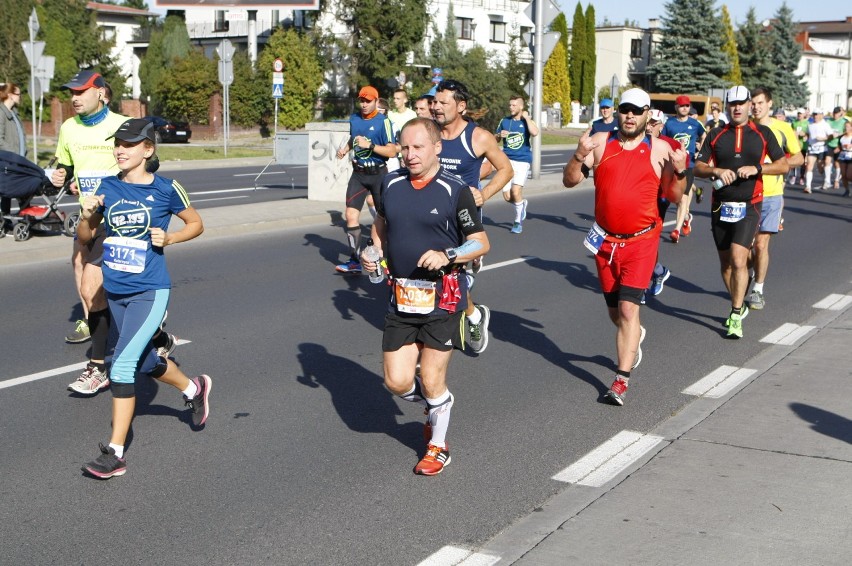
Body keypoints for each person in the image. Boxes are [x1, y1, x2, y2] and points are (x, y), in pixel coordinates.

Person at [78, 118, 209, 479]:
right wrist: (88, 216)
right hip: (116, 291)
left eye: (129, 144)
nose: (120, 149)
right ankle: (193, 386)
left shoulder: (166, 189)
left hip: (150, 290)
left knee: (120, 366)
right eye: (117, 143)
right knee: (146, 360)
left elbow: (196, 223)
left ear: (147, 149)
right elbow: (86, 235)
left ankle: (115, 453)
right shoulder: (107, 188)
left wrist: (170, 239)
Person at [360, 117, 489, 475]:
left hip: (443, 298)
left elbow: (481, 243)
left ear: (436, 148)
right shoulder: (391, 183)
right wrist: (375, 256)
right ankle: (438, 406)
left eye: (417, 147)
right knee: (397, 382)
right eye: (404, 147)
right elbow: (381, 226)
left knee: (432, 378)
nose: (410, 155)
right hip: (401, 297)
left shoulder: (455, 189)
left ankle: (437, 446)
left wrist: (448, 254)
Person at [563, 88, 686, 405]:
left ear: (648, 114)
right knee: (615, 313)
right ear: (618, 112)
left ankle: (620, 381)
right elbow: (570, 181)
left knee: (630, 309)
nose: (630, 116)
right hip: (605, 241)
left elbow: (674, 194)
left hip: (642, 241)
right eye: (625, 110)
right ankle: (634, 335)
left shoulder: (660, 148)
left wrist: (680, 169)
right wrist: (578, 155)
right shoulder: (601, 142)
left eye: (637, 111)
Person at [695, 86, 788, 339]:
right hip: (720, 205)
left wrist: (758, 168)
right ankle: (740, 301)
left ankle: (735, 313)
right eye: (732, 103)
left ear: (749, 105)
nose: (736, 107)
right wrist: (715, 172)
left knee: (738, 259)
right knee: (726, 264)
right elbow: (698, 167)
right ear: (727, 107)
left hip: (751, 203)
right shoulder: (715, 134)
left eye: (741, 103)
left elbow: (783, 165)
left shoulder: (762, 133)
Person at [433, 79, 512, 354]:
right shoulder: (431, 134)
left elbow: (505, 170)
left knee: (453, 280)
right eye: (435, 102)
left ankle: (473, 315)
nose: (437, 107)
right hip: (433, 217)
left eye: (443, 103)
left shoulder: (478, 137)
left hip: (464, 221)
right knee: (435, 277)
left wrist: (484, 193)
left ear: (461, 106)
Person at [746, 86, 803, 311]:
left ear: (769, 104)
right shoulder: (745, 128)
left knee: (761, 244)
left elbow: (799, 157)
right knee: (744, 248)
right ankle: (748, 272)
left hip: (771, 194)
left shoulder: (782, 128)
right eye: (754, 103)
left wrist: (773, 167)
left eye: (760, 102)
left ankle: (758, 289)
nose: (756, 107)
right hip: (746, 194)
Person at [334, 85, 398, 273]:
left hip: (378, 174)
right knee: (350, 216)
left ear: (377, 102)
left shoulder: (383, 121)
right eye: (361, 100)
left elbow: (392, 150)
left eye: (368, 101)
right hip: (359, 174)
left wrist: (370, 146)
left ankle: (387, 258)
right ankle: (354, 260)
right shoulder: (354, 119)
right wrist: (346, 149)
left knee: (385, 218)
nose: (363, 104)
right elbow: (353, 138)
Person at [645, 108, 684, 296]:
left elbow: (682, 171)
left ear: (661, 126)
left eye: (654, 123)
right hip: (637, 198)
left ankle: (641, 286)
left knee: (646, 241)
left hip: (658, 198)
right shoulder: (635, 141)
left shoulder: (670, 144)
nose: (649, 126)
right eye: (647, 122)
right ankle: (658, 271)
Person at [662, 95, 705, 243]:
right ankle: (686, 218)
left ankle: (676, 230)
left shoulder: (695, 124)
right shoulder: (669, 123)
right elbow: (662, 140)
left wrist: (701, 150)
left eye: (687, 106)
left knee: (683, 199)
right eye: (682, 106)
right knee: (675, 197)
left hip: (689, 165)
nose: (685, 108)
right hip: (672, 164)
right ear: (676, 107)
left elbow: (704, 135)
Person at [495, 95, 538, 234]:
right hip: (506, 161)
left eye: (514, 105)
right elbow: (494, 139)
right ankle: (521, 204)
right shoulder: (505, 121)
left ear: (521, 106)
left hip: (522, 161)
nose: (511, 107)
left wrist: (526, 118)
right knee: (508, 196)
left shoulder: (527, 122)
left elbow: (535, 132)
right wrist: (499, 135)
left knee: (515, 191)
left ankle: (517, 221)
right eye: (510, 105)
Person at [0, 82, 27, 233]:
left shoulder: (15, 113)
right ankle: (6, 221)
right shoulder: (1, 113)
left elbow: (20, 136)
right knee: (8, 192)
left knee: (15, 192)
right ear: (10, 95)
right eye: (18, 94)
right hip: (8, 161)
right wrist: (13, 154)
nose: (20, 97)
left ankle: (19, 220)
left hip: (18, 161)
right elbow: (0, 140)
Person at [803, 109, 833, 194]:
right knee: (809, 166)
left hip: (822, 148)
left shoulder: (825, 125)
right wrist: (806, 137)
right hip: (812, 148)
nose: (815, 116)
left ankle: (826, 179)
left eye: (817, 114)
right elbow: (808, 134)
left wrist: (824, 138)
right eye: (814, 114)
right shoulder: (810, 125)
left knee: (820, 168)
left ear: (821, 115)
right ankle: (808, 186)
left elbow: (831, 136)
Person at [825, 106, 848, 190]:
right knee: (827, 161)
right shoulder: (829, 121)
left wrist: (839, 135)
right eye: (834, 113)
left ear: (840, 114)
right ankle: (827, 181)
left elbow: (847, 131)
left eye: (837, 113)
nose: (835, 115)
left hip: (838, 144)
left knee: (837, 163)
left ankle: (836, 180)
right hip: (830, 143)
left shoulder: (843, 122)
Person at [790, 108, 810, 185]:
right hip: (795, 145)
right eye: (798, 114)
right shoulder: (794, 122)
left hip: (804, 145)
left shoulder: (807, 123)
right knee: (795, 161)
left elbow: (810, 134)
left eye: (801, 114)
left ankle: (801, 177)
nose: (799, 115)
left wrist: (804, 134)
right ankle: (794, 176)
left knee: (803, 163)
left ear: (804, 114)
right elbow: (791, 132)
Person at [838, 120, 852, 197]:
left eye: (847, 126)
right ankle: (847, 190)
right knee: (843, 175)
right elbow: (839, 146)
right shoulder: (842, 137)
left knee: (849, 175)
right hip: (843, 155)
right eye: (845, 126)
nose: (846, 128)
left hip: (850, 156)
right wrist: (838, 149)